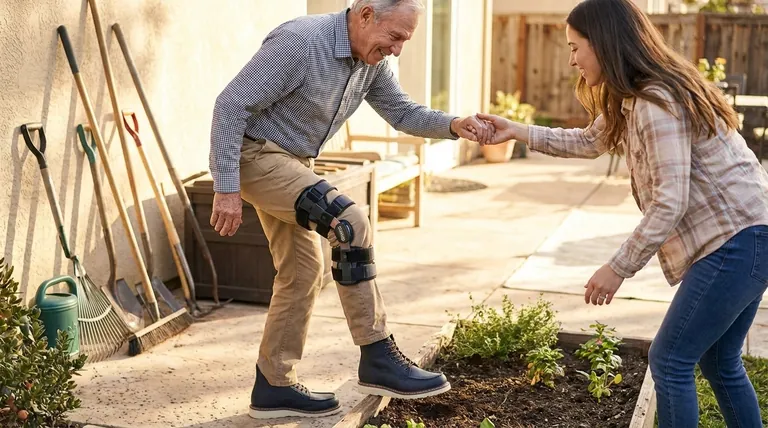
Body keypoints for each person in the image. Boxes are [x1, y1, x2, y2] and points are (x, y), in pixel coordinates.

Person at [478, 0, 768, 426]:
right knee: (719, 362)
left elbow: (671, 200)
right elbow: (588, 142)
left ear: (606, 44)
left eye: (576, 47)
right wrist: (517, 130)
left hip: (736, 243)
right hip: (750, 237)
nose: (572, 58)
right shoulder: (634, 95)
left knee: (669, 360)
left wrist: (618, 267)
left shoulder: (655, 101)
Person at [208, 0, 492, 420]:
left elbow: (401, 111)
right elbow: (230, 106)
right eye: (395, 37)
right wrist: (226, 188)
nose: (397, 49)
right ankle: (377, 355)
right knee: (349, 221)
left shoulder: (370, 61)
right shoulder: (300, 43)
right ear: (365, 15)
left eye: (404, 41)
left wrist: (454, 125)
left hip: (292, 163)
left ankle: (273, 384)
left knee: (303, 272)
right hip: (254, 156)